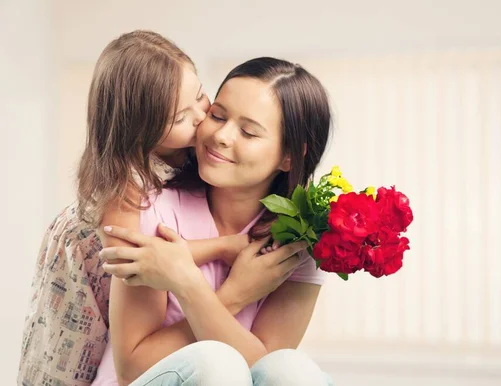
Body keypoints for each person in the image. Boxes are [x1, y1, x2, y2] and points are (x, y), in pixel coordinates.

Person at [18, 30, 253, 386]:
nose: (200, 117)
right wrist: (222, 248)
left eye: (201, 96)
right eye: (179, 118)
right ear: (139, 131)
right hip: (79, 305)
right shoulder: (123, 184)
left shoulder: (185, 153)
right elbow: (140, 259)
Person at [97, 57, 334, 385]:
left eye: (248, 132)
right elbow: (132, 368)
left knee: (293, 370)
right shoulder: (150, 206)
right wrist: (234, 293)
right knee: (215, 362)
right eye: (217, 115)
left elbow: (265, 375)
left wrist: (189, 284)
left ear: (289, 155)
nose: (221, 135)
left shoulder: (300, 240)